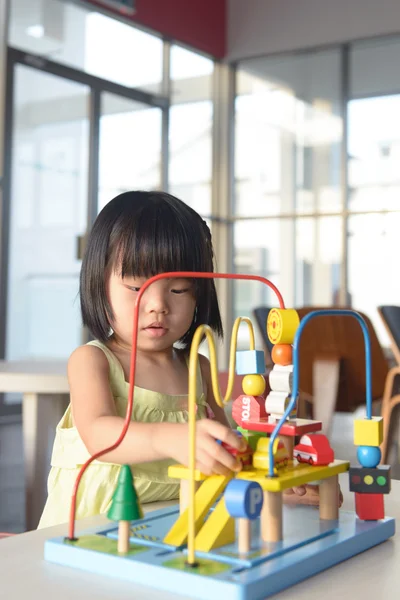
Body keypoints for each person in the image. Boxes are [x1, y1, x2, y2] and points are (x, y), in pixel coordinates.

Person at [38, 191, 332, 529]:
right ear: (99, 284)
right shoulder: (92, 360)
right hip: (88, 529)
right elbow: (99, 435)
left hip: (173, 528)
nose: (158, 305)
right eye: (136, 287)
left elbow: (227, 452)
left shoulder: (198, 369)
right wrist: (170, 438)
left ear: (199, 293)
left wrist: (271, 483)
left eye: (178, 290)